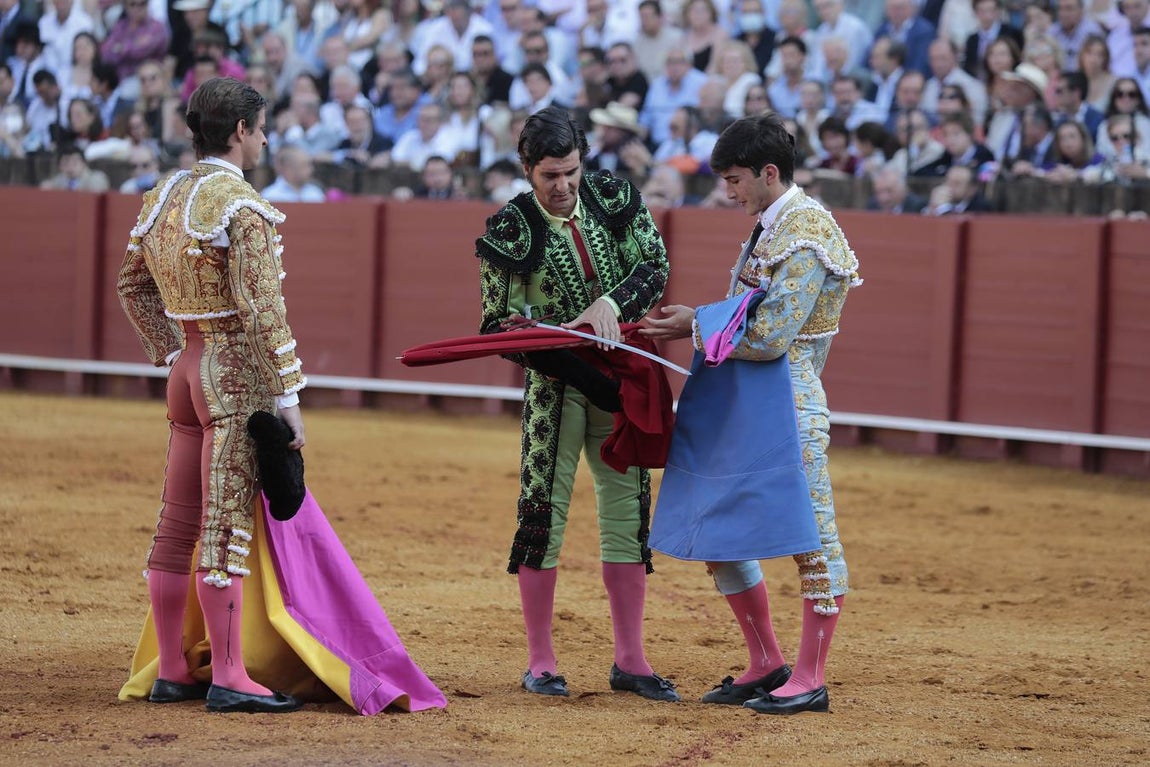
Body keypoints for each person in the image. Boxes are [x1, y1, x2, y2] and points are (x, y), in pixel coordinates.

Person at [116, 76, 447, 717]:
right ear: (240, 130)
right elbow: (261, 308)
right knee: (223, 527)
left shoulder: (162, 197)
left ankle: (173, 669)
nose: (265, 140)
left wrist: (172, 350)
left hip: (186, 373)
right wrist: (288, 392)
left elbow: (131, 285)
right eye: (262, 129)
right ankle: (230, 673)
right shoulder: (241, 205)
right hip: (233, 376)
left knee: (176, 524)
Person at [641, 111, 860, 715]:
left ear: (768, 173)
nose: (728, 192)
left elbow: (770, 336)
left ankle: (810, 677)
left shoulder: (807, 230)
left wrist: (696, 322)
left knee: (813, 540)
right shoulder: (775, 226)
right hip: (746, 401)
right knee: (719, 526)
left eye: (735, 180)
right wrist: (698, 320)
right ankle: (766, 661)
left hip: (789, 406)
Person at [475, 105, 676, 702]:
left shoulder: (614, 198)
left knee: (628, 515)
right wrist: (583, 369)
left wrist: (609, 304)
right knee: (542, 515)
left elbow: (655, 266)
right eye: (549, 176)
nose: (563, 186)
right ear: (526, 170)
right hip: (557, 386)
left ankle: (631, 659)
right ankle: (540, 661)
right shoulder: (507, 230)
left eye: (571, 172)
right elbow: (497, 327)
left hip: (625, 376)